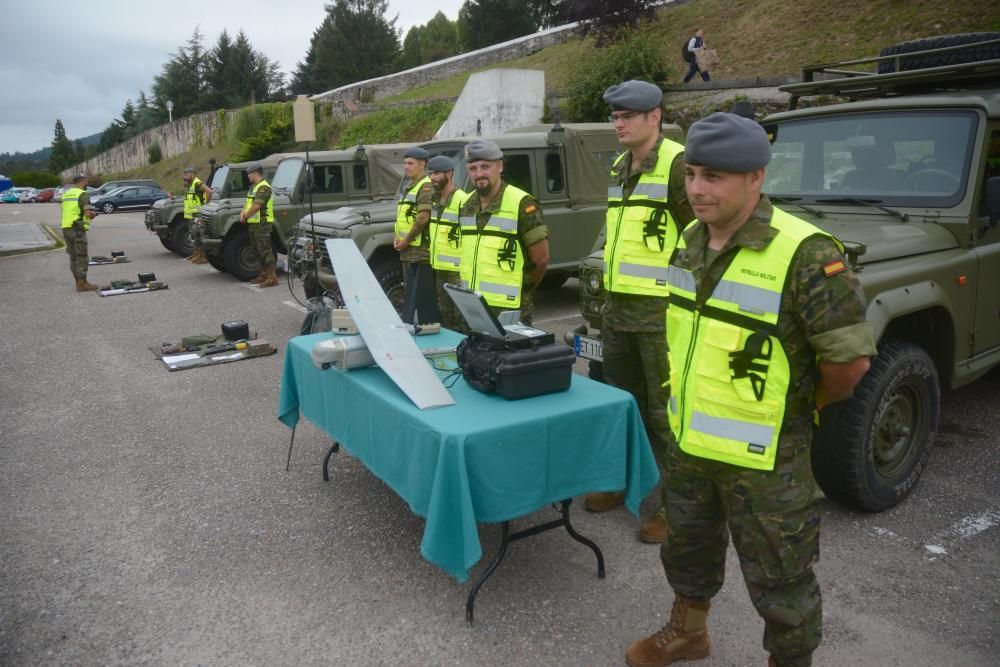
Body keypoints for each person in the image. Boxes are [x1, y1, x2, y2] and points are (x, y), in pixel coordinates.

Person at [625, 112, 876, 667]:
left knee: (781, 576)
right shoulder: (689, 241)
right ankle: (689, 633)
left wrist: (794, 409)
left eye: (713, 176)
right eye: (691, 173)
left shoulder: (806, 253)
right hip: (691, 444)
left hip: (766, 460)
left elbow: (850, 365)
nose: (695, 189)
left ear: (755, 178)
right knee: (687, 549)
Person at [584, 80, 696, 544]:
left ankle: (676, 508)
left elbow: (698, 237)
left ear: (656, 117)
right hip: (619, 308)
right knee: (620, 402)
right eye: (615, 116)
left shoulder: (678, 165)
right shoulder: (618, 166)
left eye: (629, 115)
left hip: (661, 312)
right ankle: (619, 481)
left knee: (666, 414)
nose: (620, 123)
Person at [459, 139, 549, 325]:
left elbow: (541, 259)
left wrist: (522, 291)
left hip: (508, 311)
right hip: (473, 306)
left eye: (485, 166)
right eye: (473, 168)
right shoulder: (466, 205)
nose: (479, 174)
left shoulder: (522, 203)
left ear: (499, 166)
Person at [394, 147, 440, 324]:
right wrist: (397, 237)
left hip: (419, 252)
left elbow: (423, 218)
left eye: (410, 163)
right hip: (407, 250)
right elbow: (403, 216)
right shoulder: (410, 186)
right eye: (405, 163)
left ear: (422, 164)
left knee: (421, 298)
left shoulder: (425, 186)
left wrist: (405, 240)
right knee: (411, 294)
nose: (406, 167)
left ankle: (425, 329)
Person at [426, 154, 470, 332]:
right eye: (431, 173)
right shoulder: (435, 200)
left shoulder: (462, 200)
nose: (432, 177)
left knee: (460, 313)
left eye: (437, 173)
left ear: (449, 173)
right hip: (439, 266)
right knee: (445, 311)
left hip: (457, 269)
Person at [238, 163, 278, 287]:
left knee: (265, 250)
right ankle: (263, 274)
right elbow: (248, 203)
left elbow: (256, 206)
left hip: (262, 223)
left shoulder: (264, 187)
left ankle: (272, 277)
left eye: (248, 174)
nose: (248, 176)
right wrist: (242, 213)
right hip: (254, 223)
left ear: (255, 173)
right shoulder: (254, 187)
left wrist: (245, 216)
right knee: (256, 250)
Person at [61, 173, 99, 292]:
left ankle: (78, 282)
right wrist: (93, 214)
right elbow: (88, 213)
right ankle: (82, 283)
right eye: (86, 180)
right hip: (77, 228)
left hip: (66, 227)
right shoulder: (83, 194)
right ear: (82, 181)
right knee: (81, 256)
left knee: (73, 257)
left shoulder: (66, 194)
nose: (87, 183)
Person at [182, 166, 213, 264]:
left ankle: (204, 256)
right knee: (194, 234)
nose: (184, 177)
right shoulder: (191, 184)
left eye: (187, 175)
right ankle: (196, 254)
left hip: (198, 213)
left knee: (200, 235)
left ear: (192, 174)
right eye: (184, 175)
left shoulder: (197, 183)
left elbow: (209, 191)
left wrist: (205, 205)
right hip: (192, 213)